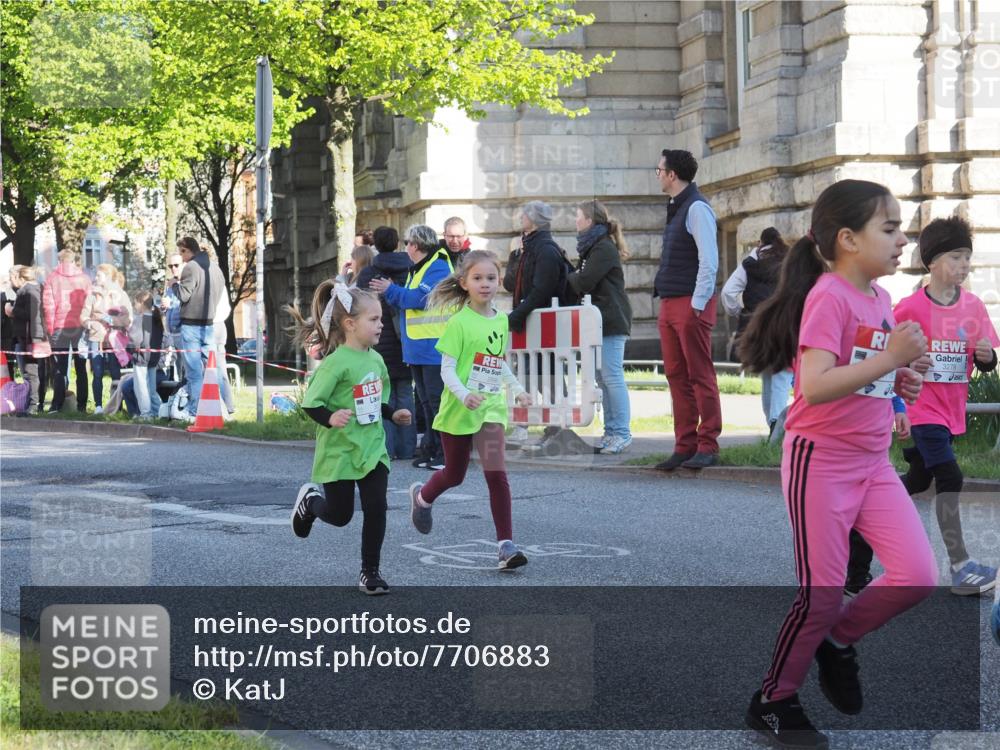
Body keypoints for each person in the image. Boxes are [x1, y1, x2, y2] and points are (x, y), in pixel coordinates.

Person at [738, 179, 937, 749]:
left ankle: (834, 640)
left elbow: (861, 370)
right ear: (848, 239)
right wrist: (889, 359)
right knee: (820, 594)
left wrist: (897, 379)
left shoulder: (878, 298)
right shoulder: (828, 295)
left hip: (871, 463)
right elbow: (817, 386)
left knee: (917, 576)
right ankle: (773, 700)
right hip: (818, 461)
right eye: (891, 228)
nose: (903, 240)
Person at [845, 216, 999, 598]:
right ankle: (961, 567)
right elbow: (883, 356)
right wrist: (905, 370)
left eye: (967, 258)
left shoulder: (974, 307)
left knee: (916, 481)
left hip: (951, 412)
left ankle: (854, 560)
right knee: (951, 477)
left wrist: (985, 357)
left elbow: (985, 359)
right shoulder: (909, 308)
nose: (963, 265)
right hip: (921, 409)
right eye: (955, 257)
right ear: (932, 261)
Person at [408, 250, 533, 569]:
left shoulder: (502, 319)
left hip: (489, 409)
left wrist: (517, 391)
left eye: (491, 278)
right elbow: (446, 369)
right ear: (464, 283)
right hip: (459, 410)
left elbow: (498, 362)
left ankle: (506, 545)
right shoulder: (459, 323)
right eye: (478, 278)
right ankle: (422, 498)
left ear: (499, 281)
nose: (485, 284)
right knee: (454, 473)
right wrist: (464, 395)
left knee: (496, 473)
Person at [287, 281, 411, 595]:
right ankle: (311, 503)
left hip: (372, 449)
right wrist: (330, 417)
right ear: (350, 324)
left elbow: (375, 400)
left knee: (376, 507)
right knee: (340, 515)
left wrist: (392, 413)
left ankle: (370, 572)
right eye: (374, 320)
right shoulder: (336, 363)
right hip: (340, 450)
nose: (381, 324)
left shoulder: (376, 360)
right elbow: (311, 403)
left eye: (381, 319)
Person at [652, 149, 723, 471]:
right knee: (676, 375)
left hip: (689, 303)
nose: (657, 174)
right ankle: (685, 445)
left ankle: (708, 444)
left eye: (659, 169)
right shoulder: (678, 207)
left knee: (699, 375)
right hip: (671, 301)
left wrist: (697, 304)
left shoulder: (696, 208)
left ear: (672, 175)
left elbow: (710, 261)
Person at [370, 225, 453, 470]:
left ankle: (445, 454)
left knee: (437, 403)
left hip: (434, 347)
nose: (405, 247)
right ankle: (430, 449)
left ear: (415, 245)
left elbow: (419, 299)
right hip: (419, 347)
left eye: (408, 243)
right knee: (425, 403)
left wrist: (390, 290)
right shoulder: (419, 267)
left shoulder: (438, 265)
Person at [567, 200, 633, 454]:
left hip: (612, 319)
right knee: (601, 378)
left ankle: (622, 432)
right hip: (598, 321)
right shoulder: (592, 248)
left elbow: (583, 281)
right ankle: (611, 431)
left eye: (578, 216)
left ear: (590, 221)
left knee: (612, 377)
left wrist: (569, 276)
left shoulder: (603, 248)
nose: (576, 221)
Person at [721, 227, 793, 434]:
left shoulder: (751, 261)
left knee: (768, 375)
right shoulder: (790, 260)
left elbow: (728, 292)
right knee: (781, 375)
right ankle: (776, 428)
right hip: (783, 324)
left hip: (757, 325)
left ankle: (771, 424)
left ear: (760, 243)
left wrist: (739, 312)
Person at [355, 225, 417, 460]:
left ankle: (387, 450)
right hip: (406, 342)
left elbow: (359, 306)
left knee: (383, 399)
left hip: (379, 344)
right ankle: (408, 448)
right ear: (398, 242)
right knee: (405, 396)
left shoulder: (369, 274)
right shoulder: (410, 269)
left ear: (375, 245)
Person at [171, 237, 225, 419]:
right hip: (209, 323)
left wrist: (174, 286)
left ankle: (195, 410)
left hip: (192, 325)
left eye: (182, 252)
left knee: (194, 371)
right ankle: (220, 408)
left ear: (187, 250)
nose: (181, 257)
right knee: (212, 369)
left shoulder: (191, 267)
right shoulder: (215, 267)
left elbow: (184, 295)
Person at [503, 201, 566, 333]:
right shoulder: (527, 249)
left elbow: (541, 291)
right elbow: (509, 285)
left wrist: (517, 315)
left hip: (544, 326)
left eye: (524, 214)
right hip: (530, 324)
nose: (521, 217)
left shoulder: (546, 250)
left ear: (534, 219)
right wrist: (516, 257)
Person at [43, 249, 92, 412]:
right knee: (81, 366)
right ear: (74, 261)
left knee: (59, 368)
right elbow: (90, 303)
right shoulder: (85, 279)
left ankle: (57, 404)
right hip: (81, 326)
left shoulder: (52, 278)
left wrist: (50, 331)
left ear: (59, 261)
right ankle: (82, 405)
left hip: (60, 327)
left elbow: (48, 307)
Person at [80, 263, 132, 414]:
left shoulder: (120, 295)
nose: (95, 278)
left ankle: (116, 406)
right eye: (96, 275)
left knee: (116, 374)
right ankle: (98, 406)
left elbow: (127, 318)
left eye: (98, 275)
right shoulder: (92, 295)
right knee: (97, 372)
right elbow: (84, 316)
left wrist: (112, 321)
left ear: (108, 277)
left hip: (115, 340)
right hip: (96, 338)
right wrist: (90, 324)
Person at [9, 266, 48, 414]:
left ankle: (32, 405)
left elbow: (29, 313)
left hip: (28, 337)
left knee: (30, 372)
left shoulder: (27, 291)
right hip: (35, 335)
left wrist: (11, 310)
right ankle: (36, 403)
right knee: (35, 372)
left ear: (21, 278)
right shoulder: (39, 288)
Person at [128, 291, 164, 420]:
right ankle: (159, 411)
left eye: (136, 303)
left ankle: (146, 414)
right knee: (152, 388)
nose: (135, 306)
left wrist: (129, 345)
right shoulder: (156, 319)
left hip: (141, 358)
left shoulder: (140, 319)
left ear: (142, 303)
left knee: (141, 386)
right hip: (154, 358)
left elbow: (136, 340)